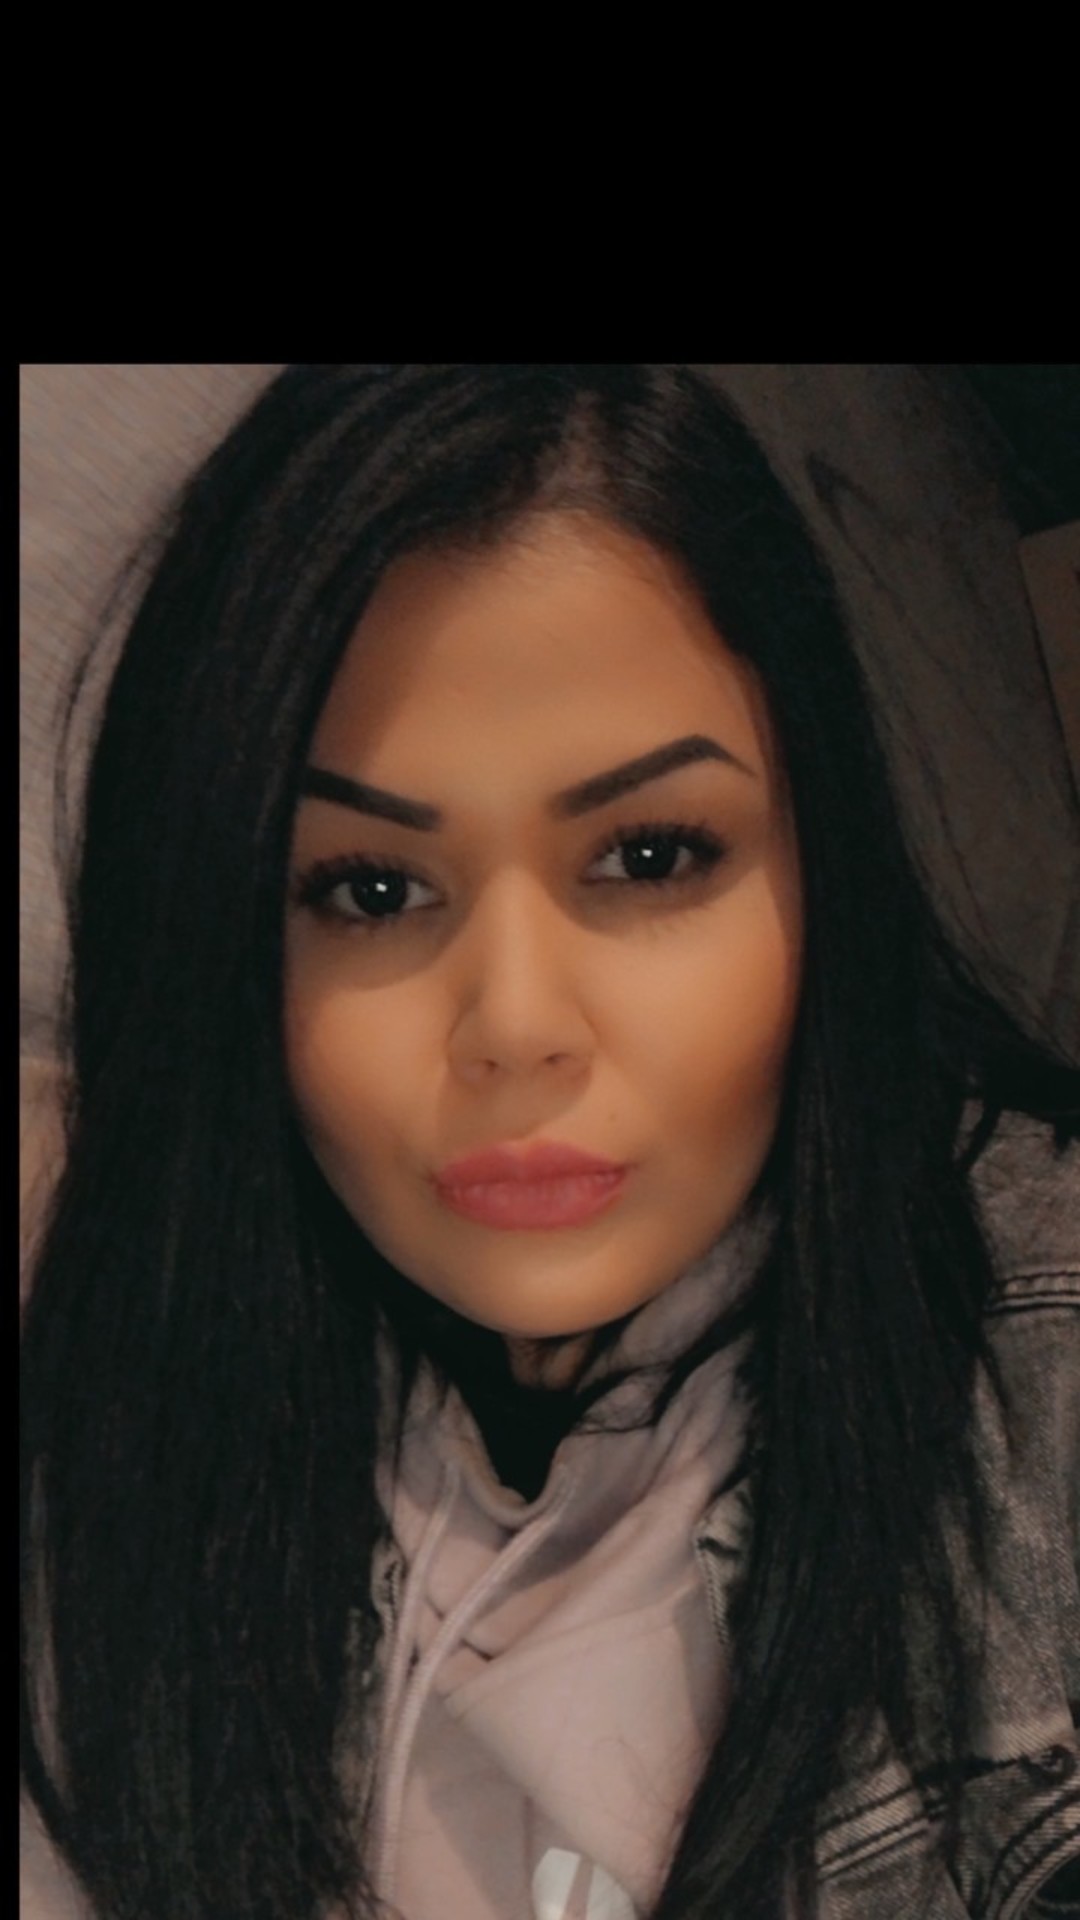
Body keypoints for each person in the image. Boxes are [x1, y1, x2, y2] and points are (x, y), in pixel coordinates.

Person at [19, 364, 1080, 1920]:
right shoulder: (125, 1456)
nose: (515, 1025)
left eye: (649, 856)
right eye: (373, 890)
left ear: (818, 867)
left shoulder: (1044, 1385)